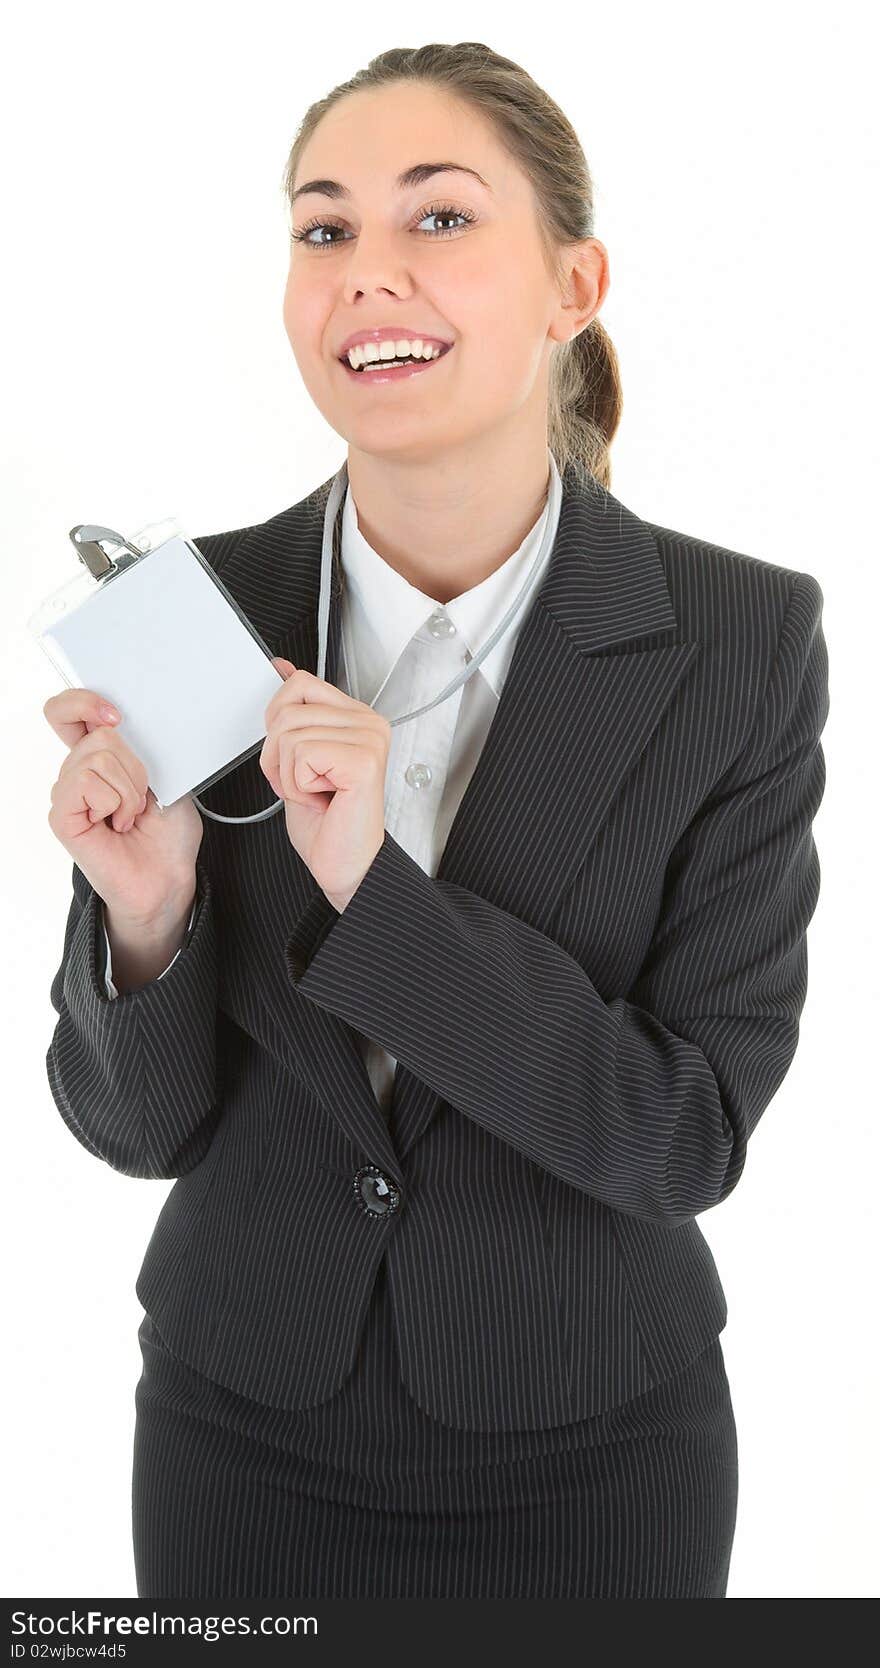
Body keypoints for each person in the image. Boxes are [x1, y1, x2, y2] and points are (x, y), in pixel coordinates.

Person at [43, 42, 829, 1600]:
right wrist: (146, 918)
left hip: (597, 1446)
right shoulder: (205, 610)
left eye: (441, 219)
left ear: (572, 285)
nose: (367, 276)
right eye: (324, 229)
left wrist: (377, 898)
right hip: (237, 1436)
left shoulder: (740, 641)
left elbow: (687, 1132)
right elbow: (134, 1130)